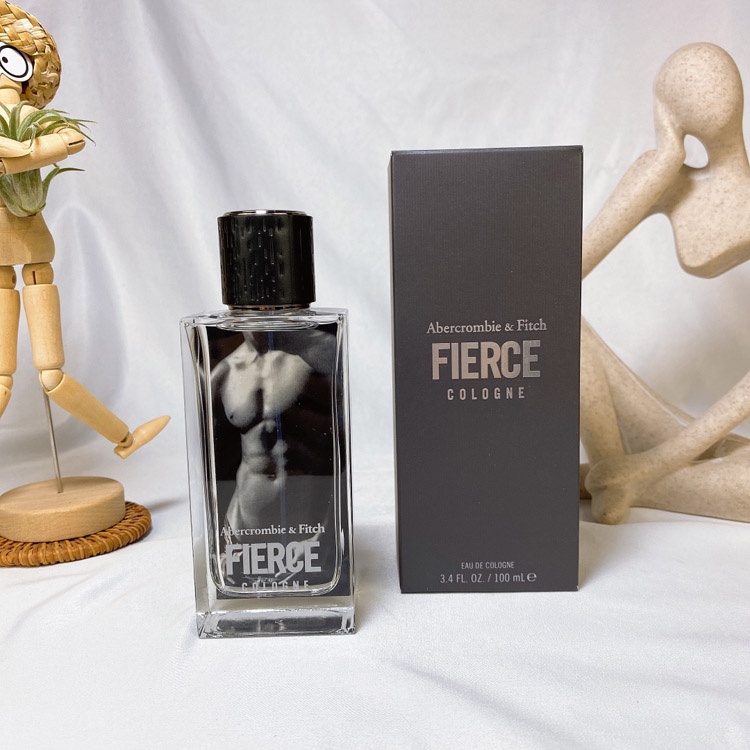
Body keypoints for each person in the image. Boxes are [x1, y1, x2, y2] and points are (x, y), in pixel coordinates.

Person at [581, 42, 750, 524]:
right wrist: (659, 165)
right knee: (549, 318)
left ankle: (616, 479)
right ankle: (614, 470)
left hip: (683, 439)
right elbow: (552, 283)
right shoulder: (665, 181)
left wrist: (655, 463)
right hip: (658, 428)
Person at [0, 2, 167, 457]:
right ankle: (124, 438)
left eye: (10, 62)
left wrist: (35, 146)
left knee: (49, 374)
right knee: (10, 378)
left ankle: (124, 439)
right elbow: (28, 151)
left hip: (35, 248)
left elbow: (70, 139)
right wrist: (40, 148)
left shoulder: (29, 119)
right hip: (16, 249)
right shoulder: (26, 127)